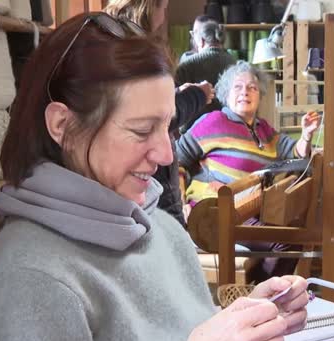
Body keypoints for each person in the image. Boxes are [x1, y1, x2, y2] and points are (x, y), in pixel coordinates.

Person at [0, 13, 309, 341]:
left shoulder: (159, 228)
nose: (166, 153)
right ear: (62, 125)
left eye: (167, 127)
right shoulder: (33, 280)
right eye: (141, 130)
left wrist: (244, 329)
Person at [176, 61, 320, 280]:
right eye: (238, 87)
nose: (245, 92)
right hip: (213, 213)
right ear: (226, 94)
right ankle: (263, 295)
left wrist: (307, 135)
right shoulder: (212, 122)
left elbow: (295, 152)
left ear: (260, 95)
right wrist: (180, 204)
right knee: (286, 241)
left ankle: (259, 293)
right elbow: (176, 160)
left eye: (252, 87)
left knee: (293, 237)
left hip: (246, 212)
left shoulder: (264, 130)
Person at [104, 0, 215, 227]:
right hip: (150, 189)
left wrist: (174, 93)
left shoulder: (108, 40)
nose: (164, 16)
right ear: (150, 6)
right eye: (163, 7)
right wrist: (197, 95)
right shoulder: (135, 51)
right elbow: (152, 116)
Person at [176, 19, 237, 128]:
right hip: (229, 129)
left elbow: (176, 102)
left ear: (201, 41)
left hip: (195, 132)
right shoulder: (235, 64)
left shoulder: (187, 64)